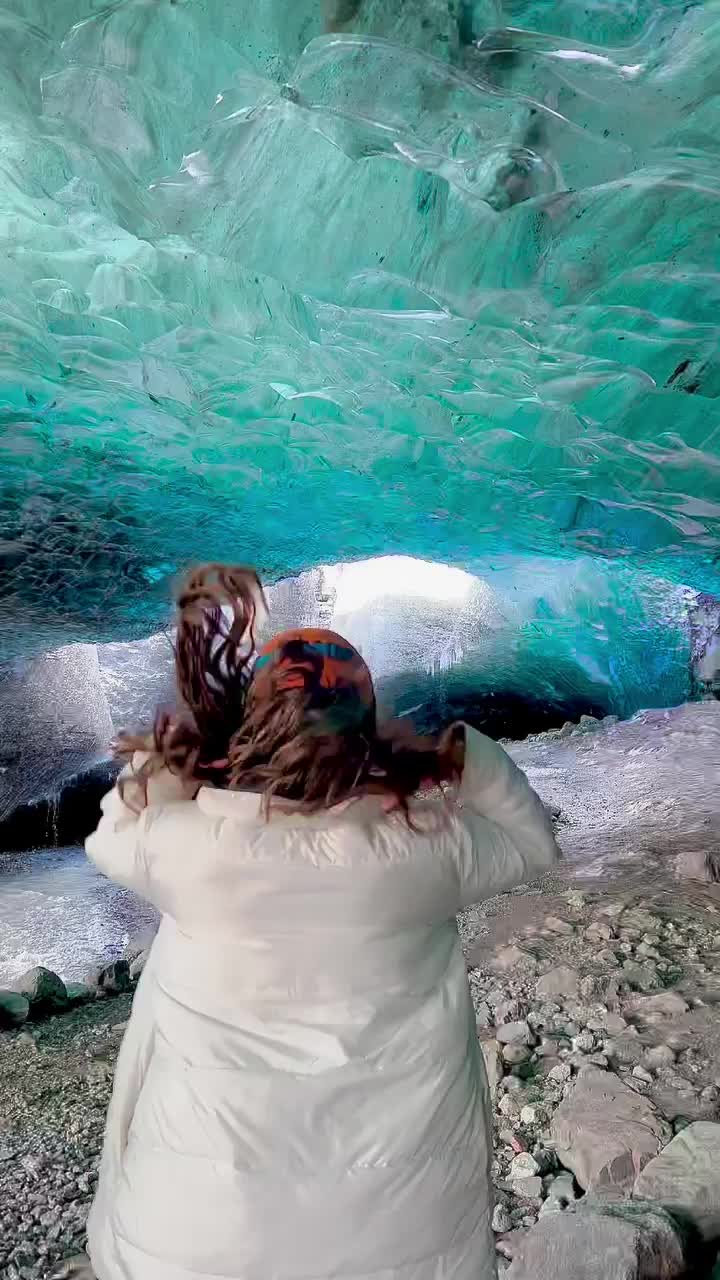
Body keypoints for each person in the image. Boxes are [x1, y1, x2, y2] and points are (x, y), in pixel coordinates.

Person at [85, 563, 560, 1280]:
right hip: (400, 1240)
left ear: (245, 731)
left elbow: (110, 832)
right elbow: (532, 843)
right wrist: (459, 758)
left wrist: (177, 766)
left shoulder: (186, 849)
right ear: (368, 736)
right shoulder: (427, 847)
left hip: (193, 1235)